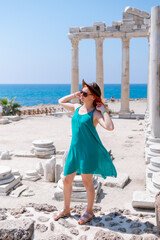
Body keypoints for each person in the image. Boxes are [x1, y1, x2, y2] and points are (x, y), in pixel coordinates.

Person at [53, 79, 117, 224]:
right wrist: (74, 94)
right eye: (81, 91)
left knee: (87, 182)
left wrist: (104, 110)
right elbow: (60, 101)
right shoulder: (76, 107)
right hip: (74, 150)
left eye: (84, 93)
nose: (81, 94)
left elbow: (110, 127)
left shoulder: (95, 113)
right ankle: (66, 209)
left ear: (93, 96)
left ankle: (89, 212)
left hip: (88, 151)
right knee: (66, 179)